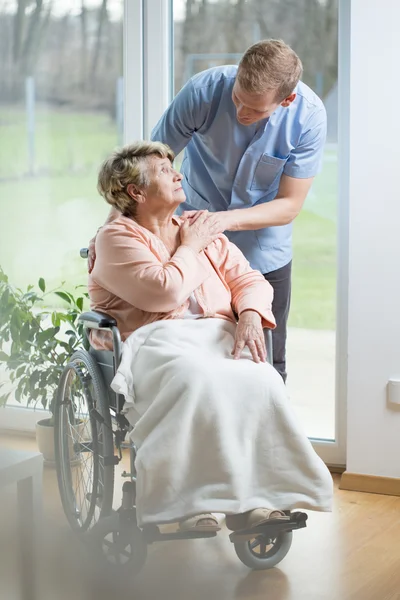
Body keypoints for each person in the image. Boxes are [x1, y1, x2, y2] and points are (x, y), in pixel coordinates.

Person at [88, 141, 332, 533]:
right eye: (166, 172)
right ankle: (191, 502)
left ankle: (255, 501)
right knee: (195, 379)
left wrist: (250, 312)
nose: (179, 175)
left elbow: (248, 278)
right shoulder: (116, 239)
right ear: (136, 191)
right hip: (155, 341)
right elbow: (165, 290)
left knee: (262, 379)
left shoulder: (196, 228)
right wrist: (191, 246)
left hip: (215, 335)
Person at [89, 39, 327, 382]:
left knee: (267, 365)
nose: (242, 113)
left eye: (255, 110)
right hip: (187, 242)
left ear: (286, 100)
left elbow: (290, 204)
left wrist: (218, 226)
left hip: (260, 245)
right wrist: (109, 235)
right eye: (237, 100)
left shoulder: (309, 118)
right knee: (202, 366)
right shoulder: (203, 92)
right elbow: (146, 170)